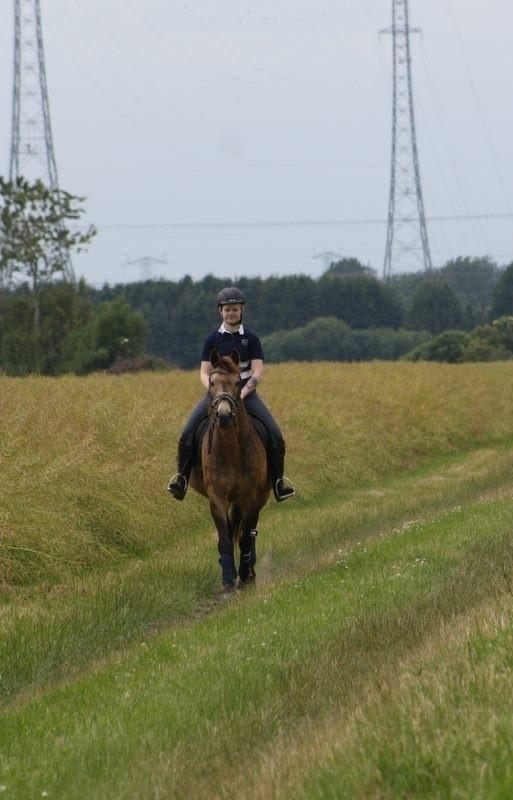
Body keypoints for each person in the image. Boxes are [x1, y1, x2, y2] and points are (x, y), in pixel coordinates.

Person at [167, 286, 295, 502]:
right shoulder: (212, 340)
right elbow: (204, 371)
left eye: (235, 309)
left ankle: (278, 482)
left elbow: (257, 370)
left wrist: (243, 392)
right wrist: (212, 391)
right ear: (221, 312)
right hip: (216, 395)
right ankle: (181, 479)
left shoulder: (251, 339)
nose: (231, 313)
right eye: (227, 310)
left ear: (241, 310)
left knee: (275, 434)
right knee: (187, 433)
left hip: (246, 394)